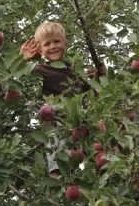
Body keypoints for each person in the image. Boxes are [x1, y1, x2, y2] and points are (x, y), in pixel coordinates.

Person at [20, 21, 105, 178]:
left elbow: (93, 91)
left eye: (57, 41)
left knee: (93, 157)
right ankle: (57, 197)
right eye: (47, 44)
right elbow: (15, 80)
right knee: (58, 165)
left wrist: (98, 75)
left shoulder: (74, 71)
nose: (53, 46)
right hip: (56, 126)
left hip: (78, 126)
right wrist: (21, 61)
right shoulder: (40, 70)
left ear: (65, 42)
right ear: (40, 49)